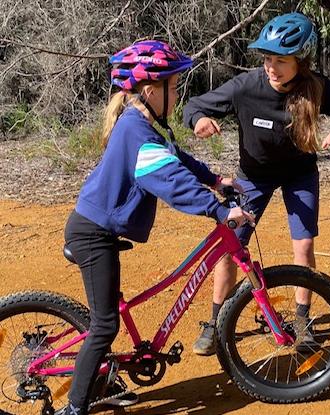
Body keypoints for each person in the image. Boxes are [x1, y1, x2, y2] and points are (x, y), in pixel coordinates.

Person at [60, 40, 254, 415]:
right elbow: (169, 181)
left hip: (101, 225)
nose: (178, 93)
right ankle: (75, 407)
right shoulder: (135, 128)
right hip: (91, 232)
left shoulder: (145, 122)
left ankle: (104, 377)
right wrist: (216, 210)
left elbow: (175, 156)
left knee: (108, 316)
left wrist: (216, 179)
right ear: (152, 90)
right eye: (174, 86)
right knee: (104, 325)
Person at [183, 12, 330, 356]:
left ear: (301, 61)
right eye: (267, 59)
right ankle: (216, 323)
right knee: (231, 242)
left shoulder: (317, 87)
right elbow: (195, 105)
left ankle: (303, 320)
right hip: (253, 178)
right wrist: (199, 120)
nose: (271, 67)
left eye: (281, 60)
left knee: (303, 247)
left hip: (299, 174)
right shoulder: (246, 87)